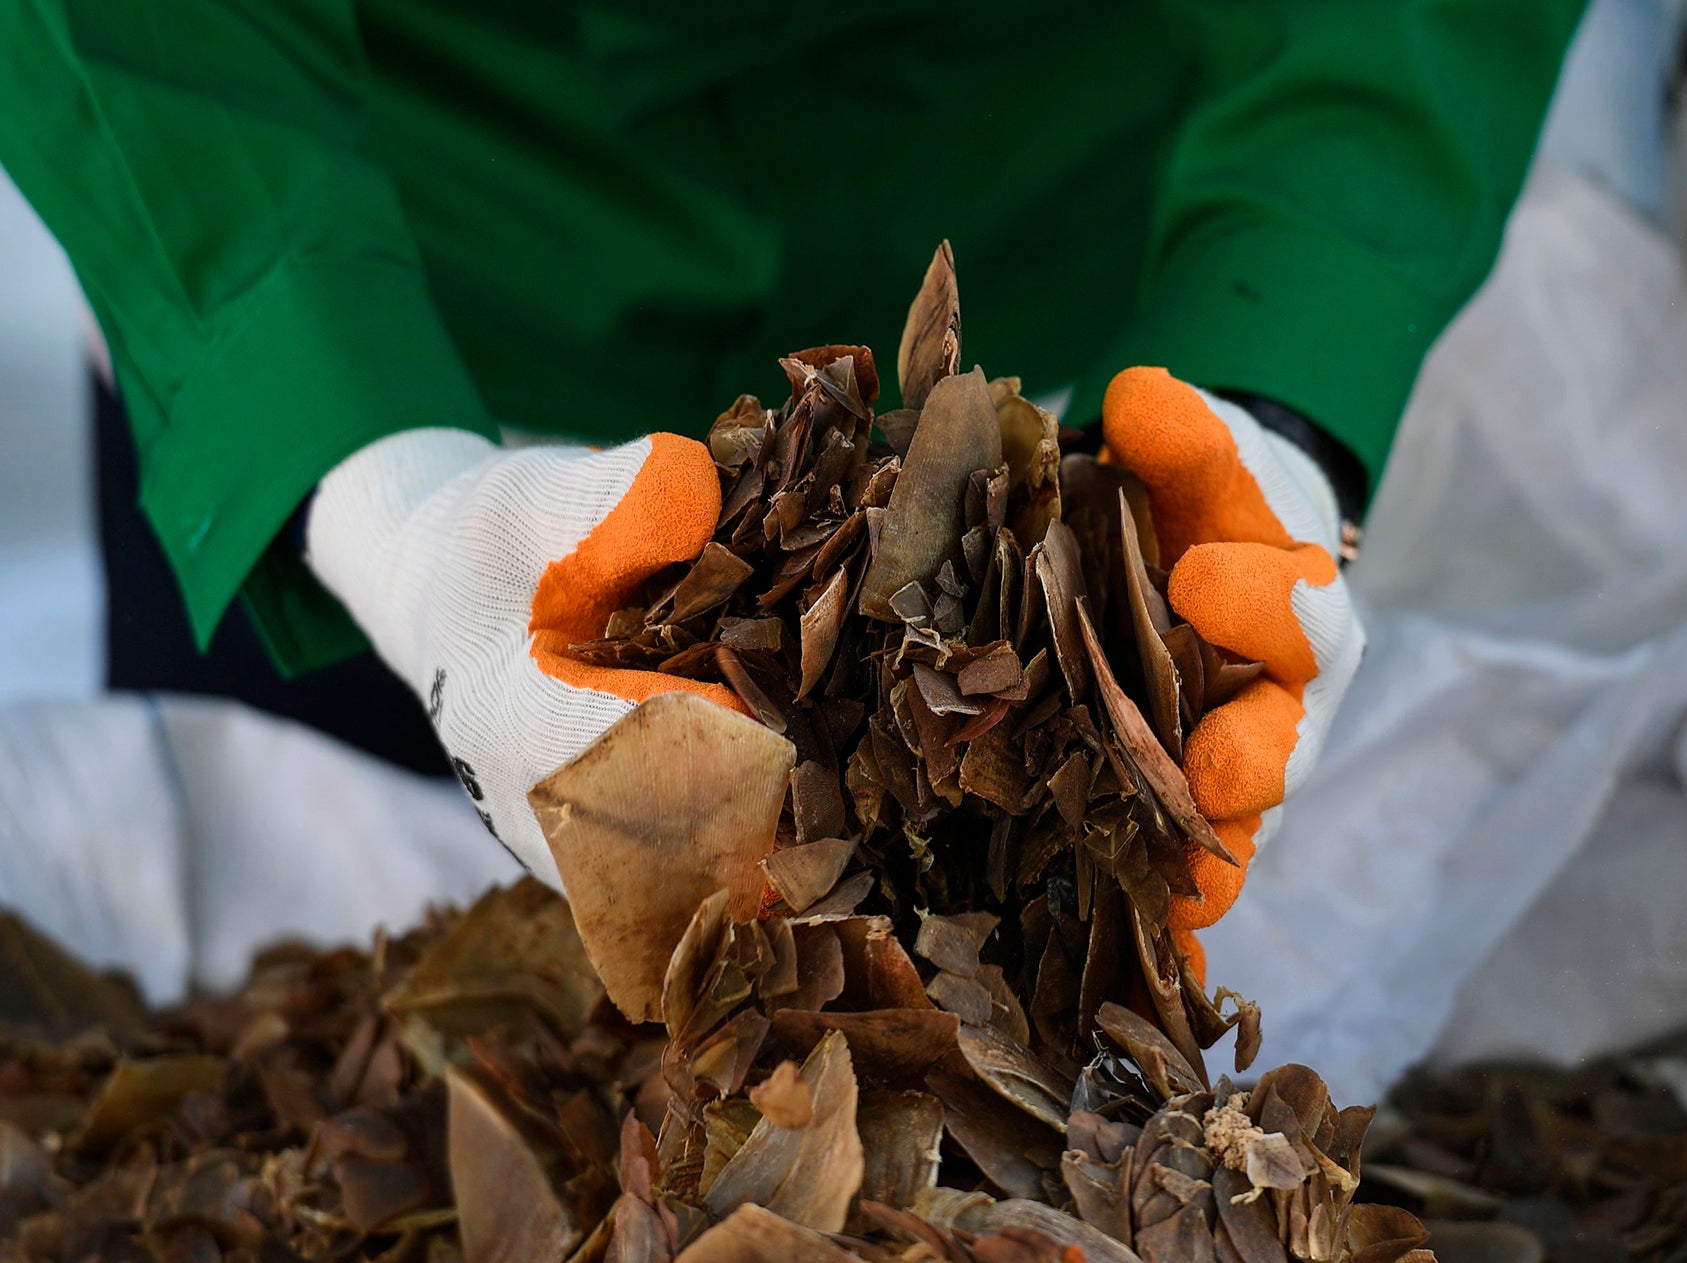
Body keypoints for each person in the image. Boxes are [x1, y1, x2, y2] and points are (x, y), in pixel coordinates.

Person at [0, 1, 1595, 979]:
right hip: (383, 251)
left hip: (1094, 238)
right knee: (316, 960)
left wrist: (1274, 365)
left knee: (1084, 909)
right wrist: (374, 485)